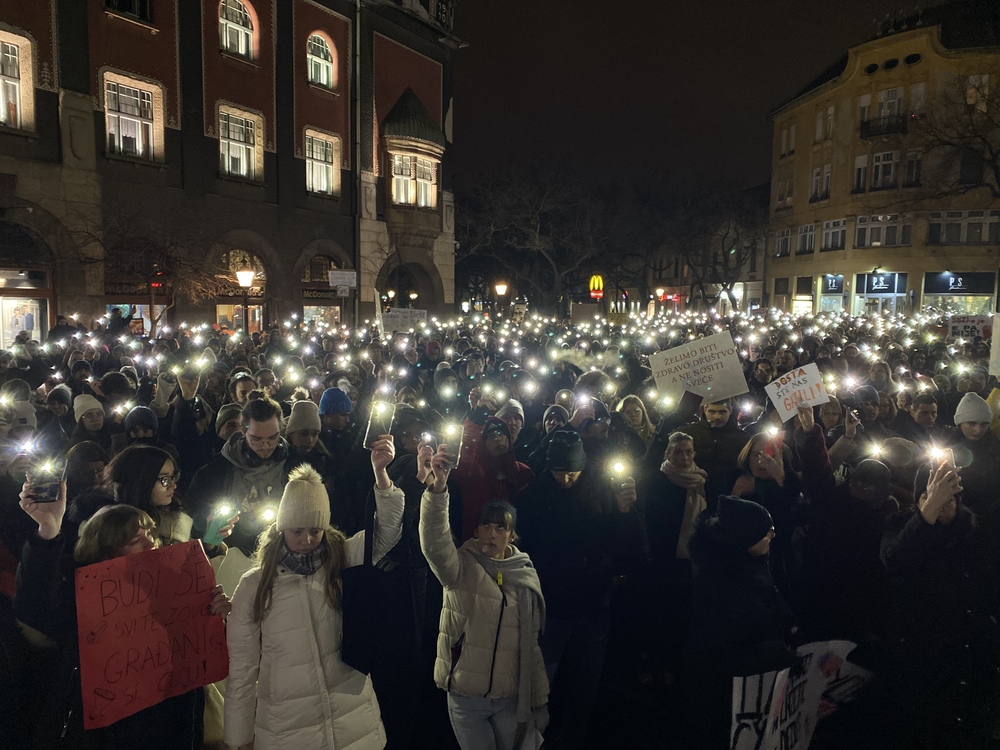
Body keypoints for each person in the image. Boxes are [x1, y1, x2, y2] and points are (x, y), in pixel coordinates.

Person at [224, 437, 404, 750]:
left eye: (316, 530)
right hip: (288, 728)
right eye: (297, 530)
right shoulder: (256, 585)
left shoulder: (343, 559)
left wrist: (382, 475)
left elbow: (386, 532)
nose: (307, 539)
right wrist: (238, 739)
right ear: (282, 527)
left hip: (353, 722)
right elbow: (241, 669)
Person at [14, 490, 231, 748]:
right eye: (135, 540)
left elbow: (198, 647)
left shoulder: (175, 586)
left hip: (170, 722)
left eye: (150, 534)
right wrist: (47, 532)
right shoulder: (80, 594)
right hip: (107, 733)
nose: (150, 544)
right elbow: (35, 608)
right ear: (107, 550)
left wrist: (216, 615)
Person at [419, 443, 549, 750]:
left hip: (510, 698)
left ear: (511, 535)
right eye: (485, 525)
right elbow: (435, 542)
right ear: (476, 531)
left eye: (500, 527)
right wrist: (438, 490)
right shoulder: (460, 566)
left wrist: (538, 699)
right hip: (467, 697)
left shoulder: (524, 575)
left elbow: (530, 644)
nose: (491, 533)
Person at [681, 496, 797, 750]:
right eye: (766, 532)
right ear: (745, 541)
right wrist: (779, 654)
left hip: (744, 688)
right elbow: (722, 651)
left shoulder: (745, 564)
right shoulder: (725, 586)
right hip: (724, 697)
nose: (773, 535)